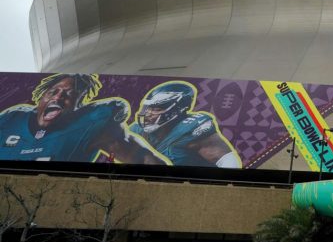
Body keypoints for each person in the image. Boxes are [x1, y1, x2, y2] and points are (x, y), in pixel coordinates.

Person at [0, 73, 168, 164]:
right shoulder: (11, 118)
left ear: (78, 105)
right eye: (52, 92)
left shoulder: (92, 123)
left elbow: (143, 158)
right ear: (40, 97)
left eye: (68, 94)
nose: (57, 98)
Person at [129, 81, 241, 168]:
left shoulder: (190, 128)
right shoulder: (137, 129)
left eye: (156, 109)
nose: (148, 114)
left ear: (178, 108)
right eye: (147, 108)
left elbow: (227, 160)